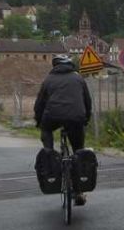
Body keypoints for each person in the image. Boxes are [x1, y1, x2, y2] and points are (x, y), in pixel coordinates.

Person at [34, 53, 92, 204]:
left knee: (46, 131)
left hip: (52, 117)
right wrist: (86, 119)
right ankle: (79, 192)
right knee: (78, 150)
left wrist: (39, 121)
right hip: (76, 117)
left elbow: (39, 103)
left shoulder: (48, 80)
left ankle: (49, 155)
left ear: (55, 66)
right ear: (70, 65)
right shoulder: (79, 78)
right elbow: (87, 101)